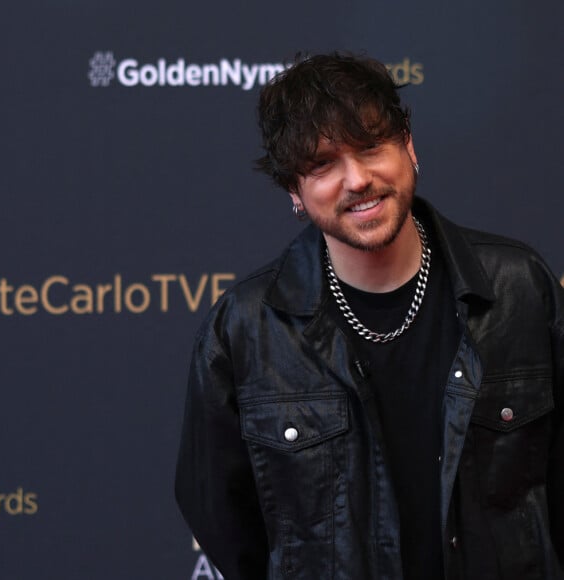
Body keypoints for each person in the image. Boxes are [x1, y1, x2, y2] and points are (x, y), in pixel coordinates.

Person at [175, 52, 564, 579]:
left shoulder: (520, 287)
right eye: (322, 164)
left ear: (408, 146)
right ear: (295, 190)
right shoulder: (244, 329)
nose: (356, 179)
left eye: (370, 147)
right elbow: (224, 520)